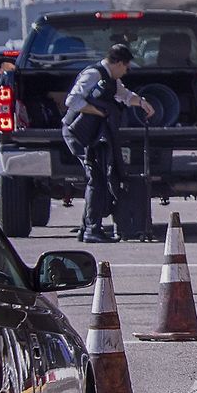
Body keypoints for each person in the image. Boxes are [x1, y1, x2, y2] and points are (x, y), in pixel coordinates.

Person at [63, 43, 156, 243]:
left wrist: (141, 103)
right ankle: (92, 230)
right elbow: (72, 101)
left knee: (97, 176)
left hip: (92, 133)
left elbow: (124, 95)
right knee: (95, 178)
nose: (126, 71)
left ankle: (86, 228)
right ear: (119, 63)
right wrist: (97, 112)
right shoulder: (94, 74)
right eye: (126, 67)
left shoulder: (111, 79)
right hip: (77, 132)